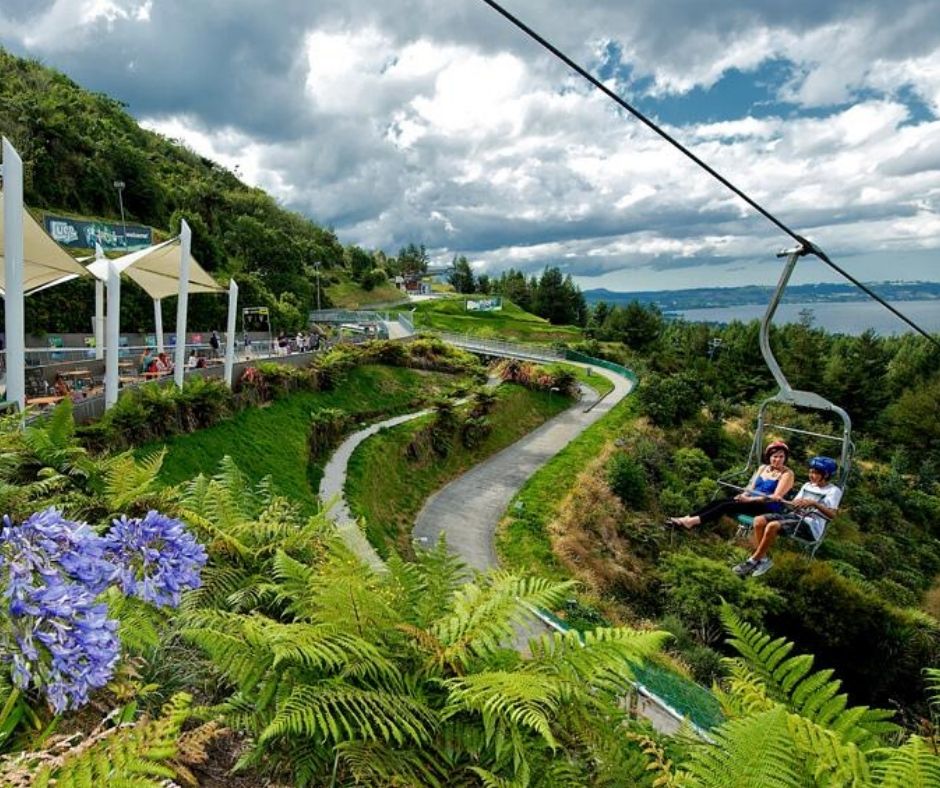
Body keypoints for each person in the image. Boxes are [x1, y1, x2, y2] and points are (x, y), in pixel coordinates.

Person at [733, 456, 842, 578]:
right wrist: (782, 500)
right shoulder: (807, 485)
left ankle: (752, 561)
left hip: (809, 525)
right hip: (793, 516)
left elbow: (832, 515)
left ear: (826, 475)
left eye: (816, 473)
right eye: (811, 471)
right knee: (759, 520)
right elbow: (793, 505)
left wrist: (814, 503)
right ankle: (763, 560)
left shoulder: (833, 491)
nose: (811, 475)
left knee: (772, 525)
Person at [666, 440, 795, 529]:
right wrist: (743, 495)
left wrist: (749, 499)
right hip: (751, 500)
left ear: (785, 458)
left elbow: (775, 496)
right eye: (774, 456)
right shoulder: (763, 468)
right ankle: (687, 517)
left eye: (781, 457)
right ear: (769, 457)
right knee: (719, 501)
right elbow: (751, 486)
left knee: (726, 506)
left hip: (766, 507)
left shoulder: (787, 474)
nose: (777, 460)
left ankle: (691, 522)